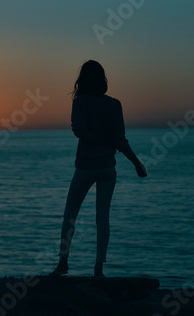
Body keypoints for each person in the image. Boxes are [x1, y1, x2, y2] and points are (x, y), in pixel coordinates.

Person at [50, 60, 147, 278]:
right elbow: (120, 140)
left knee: (70, 215)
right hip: (107, 168)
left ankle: (63, 263)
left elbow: (79, 131)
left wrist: (100, 142)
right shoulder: (114, 104)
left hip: (85, 167)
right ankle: (98, 268)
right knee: (102, 217)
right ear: (102, 79)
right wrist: (136, 162)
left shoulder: (80, 102)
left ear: (82, 79)